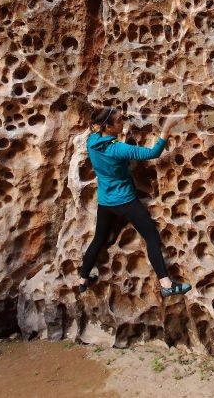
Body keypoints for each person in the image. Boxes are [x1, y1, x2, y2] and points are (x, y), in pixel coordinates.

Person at [79, 106, 192, 298]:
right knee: (152, 238)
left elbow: (99, 131)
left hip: (105, 202)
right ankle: (166, 284)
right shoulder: (118, 148)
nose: (123, 123)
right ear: (107, 126)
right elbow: (153, 153)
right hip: (126, 202)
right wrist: (166, 129)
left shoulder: (92, 141)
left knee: (99, 239)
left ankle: (82, 280)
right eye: (119, 121)